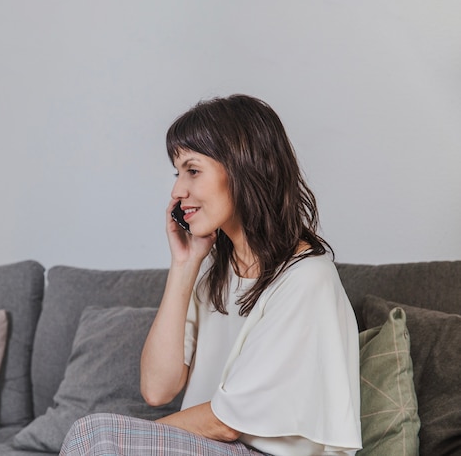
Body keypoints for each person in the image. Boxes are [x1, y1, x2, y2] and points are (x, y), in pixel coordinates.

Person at [60, 95, 362, 456]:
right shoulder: (213, 273)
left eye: (192, 170)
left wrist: (120, 438)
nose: (177, 191)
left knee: (95, 433)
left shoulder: (308, 279)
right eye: (177, 173)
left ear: (242, 168)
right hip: (209, 447)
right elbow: (158, 389)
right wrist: (184, 265)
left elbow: (226, 423)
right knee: (97, 434)